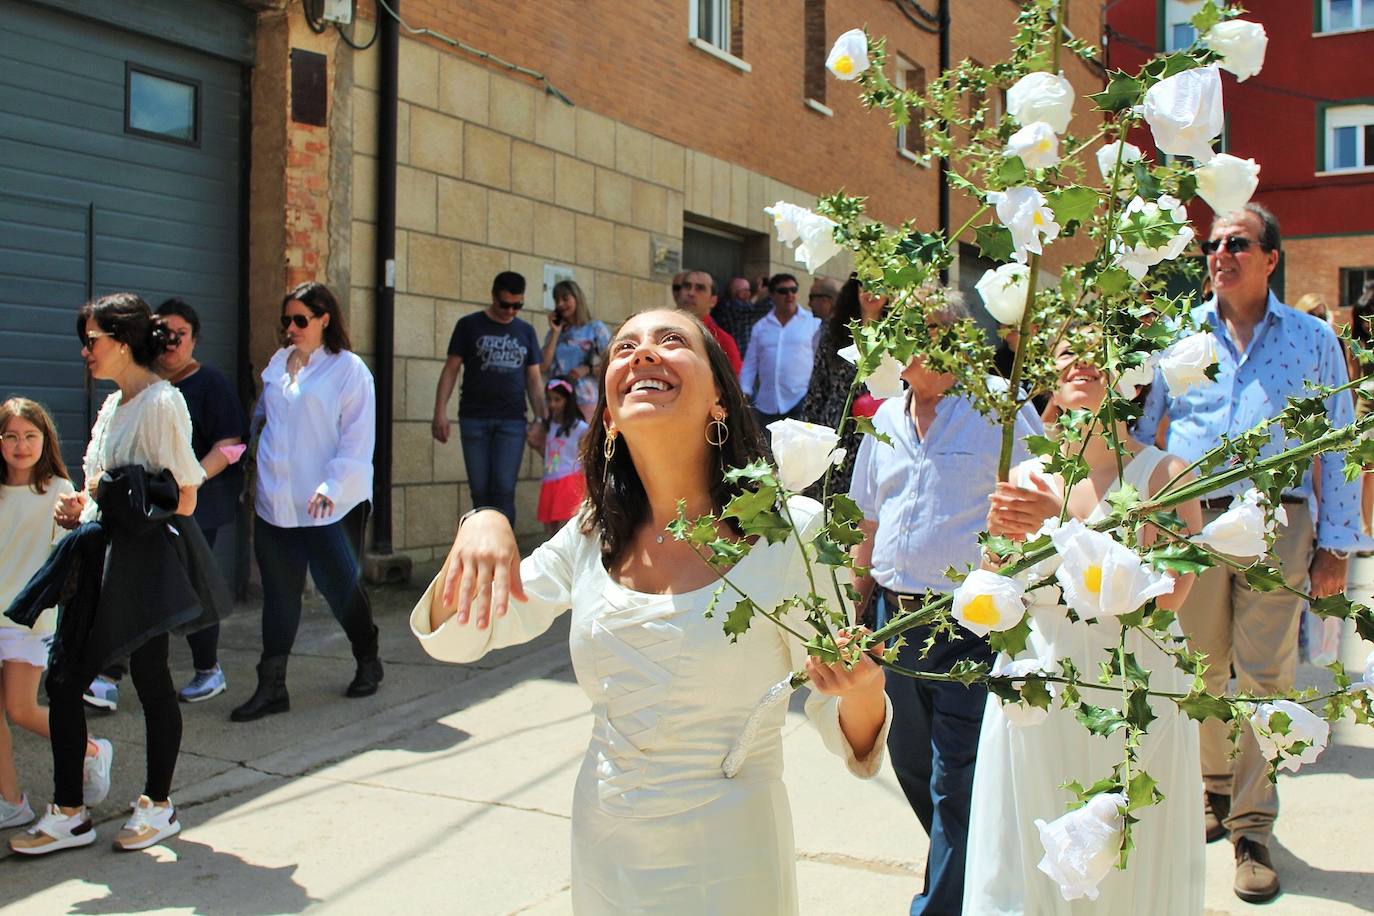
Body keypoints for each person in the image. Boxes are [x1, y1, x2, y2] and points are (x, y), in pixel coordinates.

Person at [411, 308, 890, 914]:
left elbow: (847, 723)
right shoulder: (590, 534)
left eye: (671, 341)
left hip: (731, 859)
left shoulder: (793, 534)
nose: (642, 354)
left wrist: (863, 690)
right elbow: (458, 637)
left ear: (720, 396)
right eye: (624, 347)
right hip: (605, 845)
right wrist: (482, 521)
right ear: (608, 414)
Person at [1134, 203, 1362, 904]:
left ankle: (1254, 826)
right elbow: (1145, 432)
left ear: (1270, 258)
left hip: (1277, 524)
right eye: (1212, 243)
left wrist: (1338, 546)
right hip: (1194, 522)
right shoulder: (1180, 338)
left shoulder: (1313, 340)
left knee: (1265, 677)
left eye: (1236, 242)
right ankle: (1214, 789)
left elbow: (1343, 442)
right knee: (1199, 670)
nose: (1219, 253)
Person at [965, 339, 1205, 915]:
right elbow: (993, 594)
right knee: (1028, 847)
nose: (1081, 359)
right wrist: (994, 560)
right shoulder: (1025, 473)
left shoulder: (1165, 474)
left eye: (1100, 347)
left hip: (1129, 692)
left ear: (1133, 375)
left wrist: (1062, 530)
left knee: (1121, 850)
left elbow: (1167, 600)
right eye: (1067, 348)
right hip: (1035, 688)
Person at [849, 296, 1043, 915]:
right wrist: (860, 606)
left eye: (925, 333)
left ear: (957, 340)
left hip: (968, 621)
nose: (909, 346)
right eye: (899, 334)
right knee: (911, 762)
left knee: (955, 774)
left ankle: (939, 906)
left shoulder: (999, 409)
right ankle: (979, 874)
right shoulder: (884, 415)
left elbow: (1042, 506)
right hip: (894, 619)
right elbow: (868, 519)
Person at [11, 293, 210, 854]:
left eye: (93, 340)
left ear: (122, 342)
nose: (85, 351)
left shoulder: (161, 403)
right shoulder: (114, 406)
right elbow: (101, 487)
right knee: (64, 679)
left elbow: (186, 498)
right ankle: (70, 811)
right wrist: (81, 503)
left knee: (150, 680)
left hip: (141, 561)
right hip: (97, 554)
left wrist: (109, 493)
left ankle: (159, 804)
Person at [83, 299, 246, 710]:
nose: (171, 343)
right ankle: (107, 675)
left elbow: (233, 444)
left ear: (194, 338)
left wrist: (186, 481)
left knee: (191, 590)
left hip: (185, 506)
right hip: (137, 514)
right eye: (165, 334)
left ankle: (207, 668)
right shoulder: (125, 397)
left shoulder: (203, 386)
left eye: (181, 335)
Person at [232, 282, 381, 723]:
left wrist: (331, 486)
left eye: (301, 319)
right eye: (287, 320)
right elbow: (265, 426)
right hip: (277, 503)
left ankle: (367, 657)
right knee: (279, 595)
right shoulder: (278, 364)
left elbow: (358, 440)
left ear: (324, 320)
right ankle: (272, 686)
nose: (292, 328)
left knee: (341, 588)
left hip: (330, 506)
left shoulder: (349, 370)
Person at [0, 398, 110, 831]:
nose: (20, 445)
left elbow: (70, 552)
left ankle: (92, 751)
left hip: (30, 619)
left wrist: (74, 520)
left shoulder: (60, 491)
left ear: (45, 440)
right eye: (10, 436)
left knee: (23, 710)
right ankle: (12, 801)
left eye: (30, 436)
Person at [432, 271, 547, 525]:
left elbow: (534, 379)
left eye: (517, 306)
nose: (510, 311)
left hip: (512, 422)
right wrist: (440, 411)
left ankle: (505, 557)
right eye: (505, 304)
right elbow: (451, 369)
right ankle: (481, 553)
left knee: (504, 490)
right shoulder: (469, 325)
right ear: (493, 297)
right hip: (474, 419)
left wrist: (541, 419)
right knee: (481, 492)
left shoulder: (525, 331)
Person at [798, 276, 890, 499]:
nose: (871, 292)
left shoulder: (900, 338)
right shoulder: (835, 332)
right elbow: (816, 390)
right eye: (865, 285)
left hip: (879, 434)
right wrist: (807, 440)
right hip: (834, 433)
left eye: (879, 286)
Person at [740, 274, 822, 429]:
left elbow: (819, 360)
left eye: (793, 290)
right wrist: (745, 390)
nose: (789, 295)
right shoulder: (761, 327)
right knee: (767, 451)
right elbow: (750, 362)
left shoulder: (812, 323)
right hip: (767, 403)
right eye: (783, 291)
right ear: (772, 295)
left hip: (800, 399)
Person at [540, 280, 609, 422]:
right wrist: (555, 332)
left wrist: (588, 369)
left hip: (585, 398)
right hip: (558, 401)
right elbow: (543, 366)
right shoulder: (555, 332)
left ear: (577, 299)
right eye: (557, 300)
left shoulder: (595, 328)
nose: (560, 304)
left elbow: (612, 361)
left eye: (565, 299)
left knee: (584, 443)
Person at [535, 378, 589, 537]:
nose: (552, 404)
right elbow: (548, 452)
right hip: (550, 478)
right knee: (549, 526)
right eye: (549, 399)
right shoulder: (549, 425)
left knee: (567, 527)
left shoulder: (580, 427)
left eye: (557, 400)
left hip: (569, 479)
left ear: (568, 400)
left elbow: (585, 456)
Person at [676, 269, 742, 374]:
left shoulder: (722, 341)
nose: (691, 293)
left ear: (713, 301)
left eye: (700, 288)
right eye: (687, 286)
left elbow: (732, 385)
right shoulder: (658, 330)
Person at [712, 274, 772, 358]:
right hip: (734, 356)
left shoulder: (747, 307)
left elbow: (769, 306)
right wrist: (757, 294)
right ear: (737, 292)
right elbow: (746, 309)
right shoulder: (728, 306)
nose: (749, 293)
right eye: (746, 290)